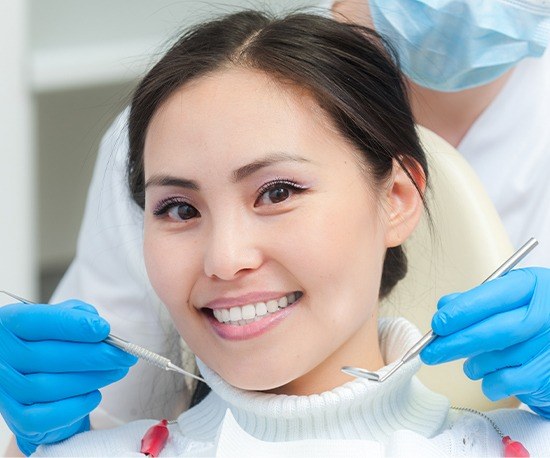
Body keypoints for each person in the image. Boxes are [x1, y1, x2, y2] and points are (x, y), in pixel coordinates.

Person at [1, 0, 550, 455]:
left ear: (399, 197)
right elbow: (102, 397)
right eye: (178, 208)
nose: (225, 258)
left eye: (278, 192)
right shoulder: (187, 106)